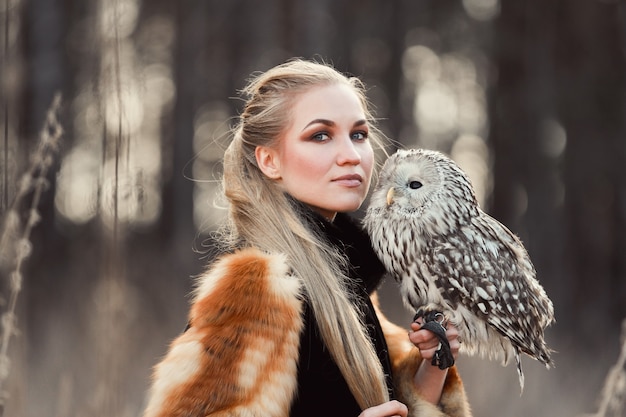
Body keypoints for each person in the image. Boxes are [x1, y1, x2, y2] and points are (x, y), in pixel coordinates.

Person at [142, 59, 472, 417]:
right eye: (320, 135)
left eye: (358, 135)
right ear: (269, 161)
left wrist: (432, 367)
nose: (351, 156)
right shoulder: (257, 289)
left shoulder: (345, 283)